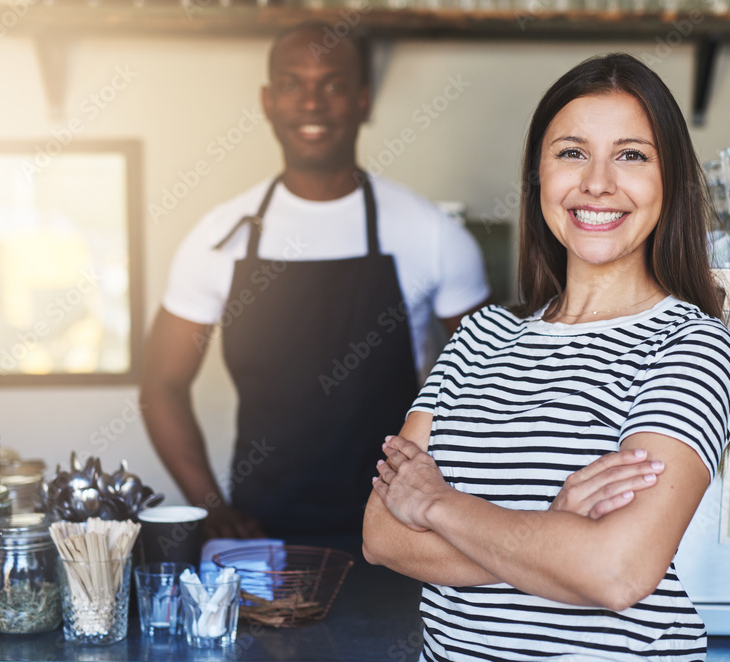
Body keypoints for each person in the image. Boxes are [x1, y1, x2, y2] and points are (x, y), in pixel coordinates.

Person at [362, 53, 730, 661]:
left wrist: (437, 504)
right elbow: (381, 536)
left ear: (670, 182)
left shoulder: (687, 345)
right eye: (571, 152)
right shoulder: (480, 336)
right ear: (539, 175)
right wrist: (556, 531)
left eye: (632, 155)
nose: (597, 183)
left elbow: (617, 572)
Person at [139, 23, 490, 540]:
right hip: (262, 533)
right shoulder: (219, 236)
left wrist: (452, 506)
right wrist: (211, 507)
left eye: (333, 84)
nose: (312, 103)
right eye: (291, 84)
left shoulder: (431, 234)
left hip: (400, 530)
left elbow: (491, 384)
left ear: (363, 101)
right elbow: (161, 385)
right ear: (267, 101)